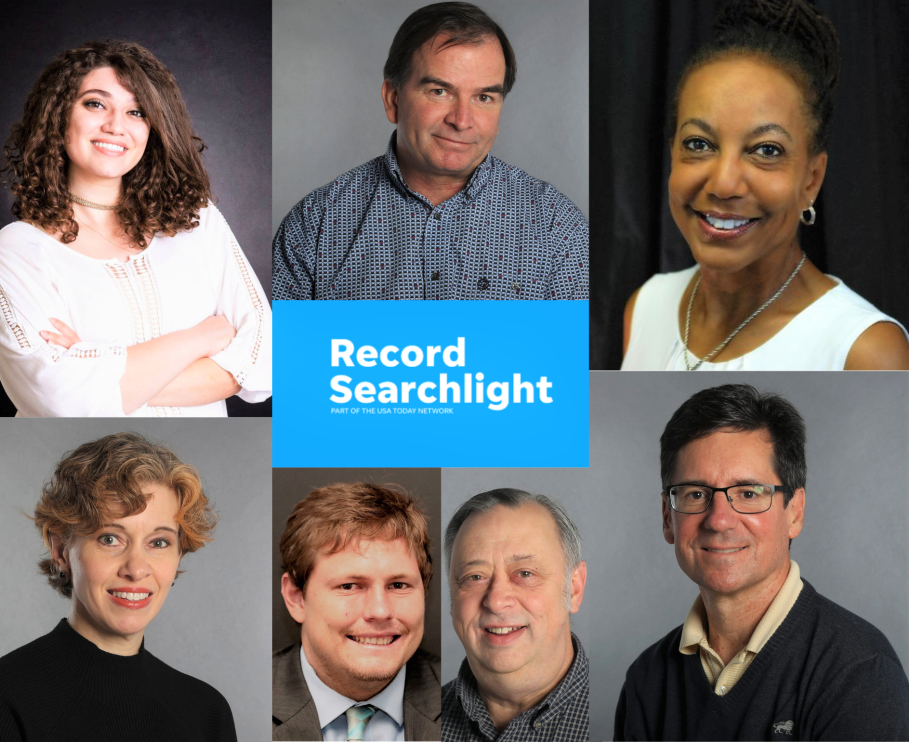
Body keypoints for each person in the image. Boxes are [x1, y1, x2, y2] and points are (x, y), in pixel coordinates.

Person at [0, 40, 271, 416]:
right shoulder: (18, 248)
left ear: (153, 128)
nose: (115, 126)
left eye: (136, 112)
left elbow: (265, 360)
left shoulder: (196, 220)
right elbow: (58, 401)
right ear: (58, 116)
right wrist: (201, 338)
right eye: (95, 103)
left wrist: (96, 370)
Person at [622, 0, 909, 370]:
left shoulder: (866, 353)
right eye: (698, 144)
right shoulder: (646, 306)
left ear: (812, 179)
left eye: (766, 150)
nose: (724, 183)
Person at [614, 384, 909, 740]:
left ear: (795, 512)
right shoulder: (647, 679)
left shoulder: (859, 673)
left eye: (749, 493)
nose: (719, 520)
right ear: (667, 517)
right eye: (695, 494)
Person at [272, 1, 588, 300]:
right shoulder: (313, 226)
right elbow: (280, 357)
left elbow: (571, 358)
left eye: (484, 98)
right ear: (393, 99)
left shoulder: (557, 226)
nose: (462, 121)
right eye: (440, 91)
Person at [0, 432, 236, 740]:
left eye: (159, 542)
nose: (137, 569)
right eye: (109, 539)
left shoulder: (207, 712)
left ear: (179, 553)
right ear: (61, 551)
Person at [273, 483, 441, 741]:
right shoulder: (245, 701)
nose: (380, 610)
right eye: (350, 586)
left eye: (398, 585)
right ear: (297, 598)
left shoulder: (469, 704)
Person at [442, 488, 589, 741]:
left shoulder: (624, 711)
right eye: (475, 577)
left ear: (574, 589)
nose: (496, 602)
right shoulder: (419, 720)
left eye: (524, 573)